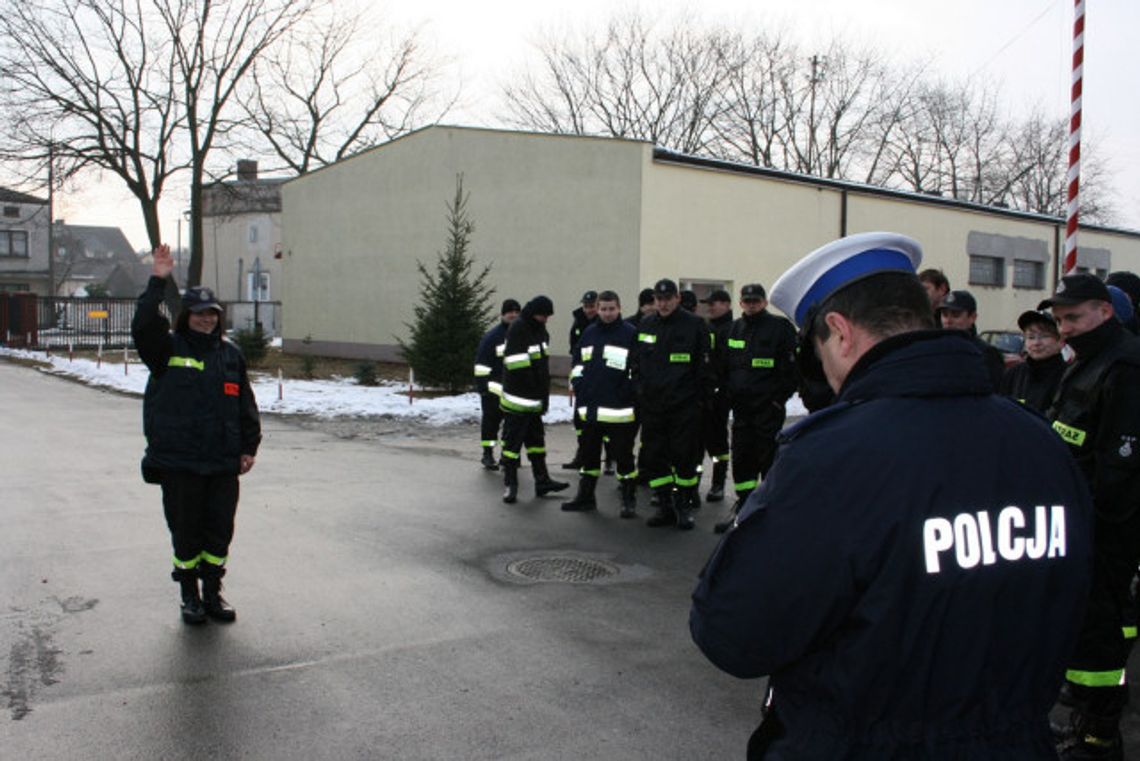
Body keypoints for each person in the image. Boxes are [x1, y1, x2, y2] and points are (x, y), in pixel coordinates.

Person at [690, 232, 1092, 759]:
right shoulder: (1039, 443)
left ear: (840, 332)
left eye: (817, 354)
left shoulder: (832, 457)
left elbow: (734, 632)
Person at [132, 244, 262, 625]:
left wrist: (249, 446)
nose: (206, 320)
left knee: (218, 533)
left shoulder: (230, 355)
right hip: (180, 463)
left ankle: (212, 593)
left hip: (222, 463)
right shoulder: (165, 350)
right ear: (186, 316)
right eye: (199, 314)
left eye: (212, 315)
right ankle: (189, 594)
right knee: (187, 535)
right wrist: (158, 279)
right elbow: (142, 325)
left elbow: (245, 406)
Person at [1041, 274, 1140, 759]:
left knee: (1099, 638)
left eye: (1074, 317)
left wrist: (1092, 528)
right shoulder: (1086, 362)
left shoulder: (1125, 367)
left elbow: (1120, 467)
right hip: (1078, 521)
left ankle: (1100, 735)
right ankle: (1086, 716)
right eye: (1059, 320)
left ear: (1104, 311)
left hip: (1105, 529)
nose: (1065, 329)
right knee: (1086, 634)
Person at [713, 283, 798, 534]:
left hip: (767, 409)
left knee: (768, 460)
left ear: (764, 302)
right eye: (747, 301)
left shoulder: (780, 328)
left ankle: (769, 511)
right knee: (742, 460)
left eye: (756, 301)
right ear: (741, 303)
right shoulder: (733, 330)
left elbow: (791, 370)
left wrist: (777, 400)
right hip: (741, 411)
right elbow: (725, 367)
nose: (751, 304)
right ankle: (744, 507)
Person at [631, 278, 714, 530]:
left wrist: (700, 401)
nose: (663, 303)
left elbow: (704, 366)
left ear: (677, 298)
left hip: (684, 406)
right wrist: (640, 390)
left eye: (668, 298)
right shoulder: (646, 324)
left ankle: (684, 505)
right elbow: (636, 362)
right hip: (653, 405)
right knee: (655, 456)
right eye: (659, 299)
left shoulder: (695, 325)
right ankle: (665, 505)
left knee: (684, 458)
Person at [562, 290, 639, 517]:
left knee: (623, 458)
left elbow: (638, 369)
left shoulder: (630, 334)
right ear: (598, 308)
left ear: (619, 309)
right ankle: (585, 497)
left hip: (619, 411)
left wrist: (626, 392)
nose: (607, 313)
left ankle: (628, 499)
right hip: (591, 408)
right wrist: (579, 383)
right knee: (588, 456)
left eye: (611, 309)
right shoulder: (589, 333)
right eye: (603, 309)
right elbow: (577, 362)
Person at [499, 295, 569, 503]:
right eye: (543, 315)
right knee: (511, 447)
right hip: (518, 401)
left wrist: (542, 396)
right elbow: (517, 366)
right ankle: (510, 485)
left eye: (548, 316)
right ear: (533, 312)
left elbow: (542, 366)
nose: (545, 319)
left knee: (537, 443)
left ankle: (542, 481)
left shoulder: (540, 331)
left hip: (534, 400)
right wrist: (537, 391)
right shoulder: (518, 329)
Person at [473, 299, 521, 470]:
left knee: (512, 427)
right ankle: (487, 454)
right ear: (503, 314)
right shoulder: (492, 337)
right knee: (491, 425)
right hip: (493, 392)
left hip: (515, 392)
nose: (514, 315)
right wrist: (483, 389)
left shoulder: (522, 335)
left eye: (517, 312)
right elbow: (481, 365)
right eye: (510, 311)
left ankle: (509, 456)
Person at [701, 289, 733, 503]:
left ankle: (718, 484)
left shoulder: (733, 329)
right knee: (695, 441)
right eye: (709, 304)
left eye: (715, 303)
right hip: (703, 392)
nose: (710, 307)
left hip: (721, 394)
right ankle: (691, 486)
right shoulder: (705, 327)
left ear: (727, 305)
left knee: (717, 442)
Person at [937, 289, 1005, 390]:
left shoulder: (986, 354)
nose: (948, 321)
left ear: (972, 317)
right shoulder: (936, 350)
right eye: (945, 315)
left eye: (956, 315)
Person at [1000, 310, 1066, 413]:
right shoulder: (1014, 374)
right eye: (1031, 337)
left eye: (1044, 336)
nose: (1036, 343)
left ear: (1060, 341)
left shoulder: (1068, 375)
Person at [563, 291, 600, 470]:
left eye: (591, 306)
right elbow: (574, 349)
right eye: (586, 306)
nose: (588, 310)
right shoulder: (578, 321)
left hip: (600, 378)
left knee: (601, 423)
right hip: (581, 375)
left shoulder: (603, 323)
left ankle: (608, 459)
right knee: (579, 420)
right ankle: (582, 454)